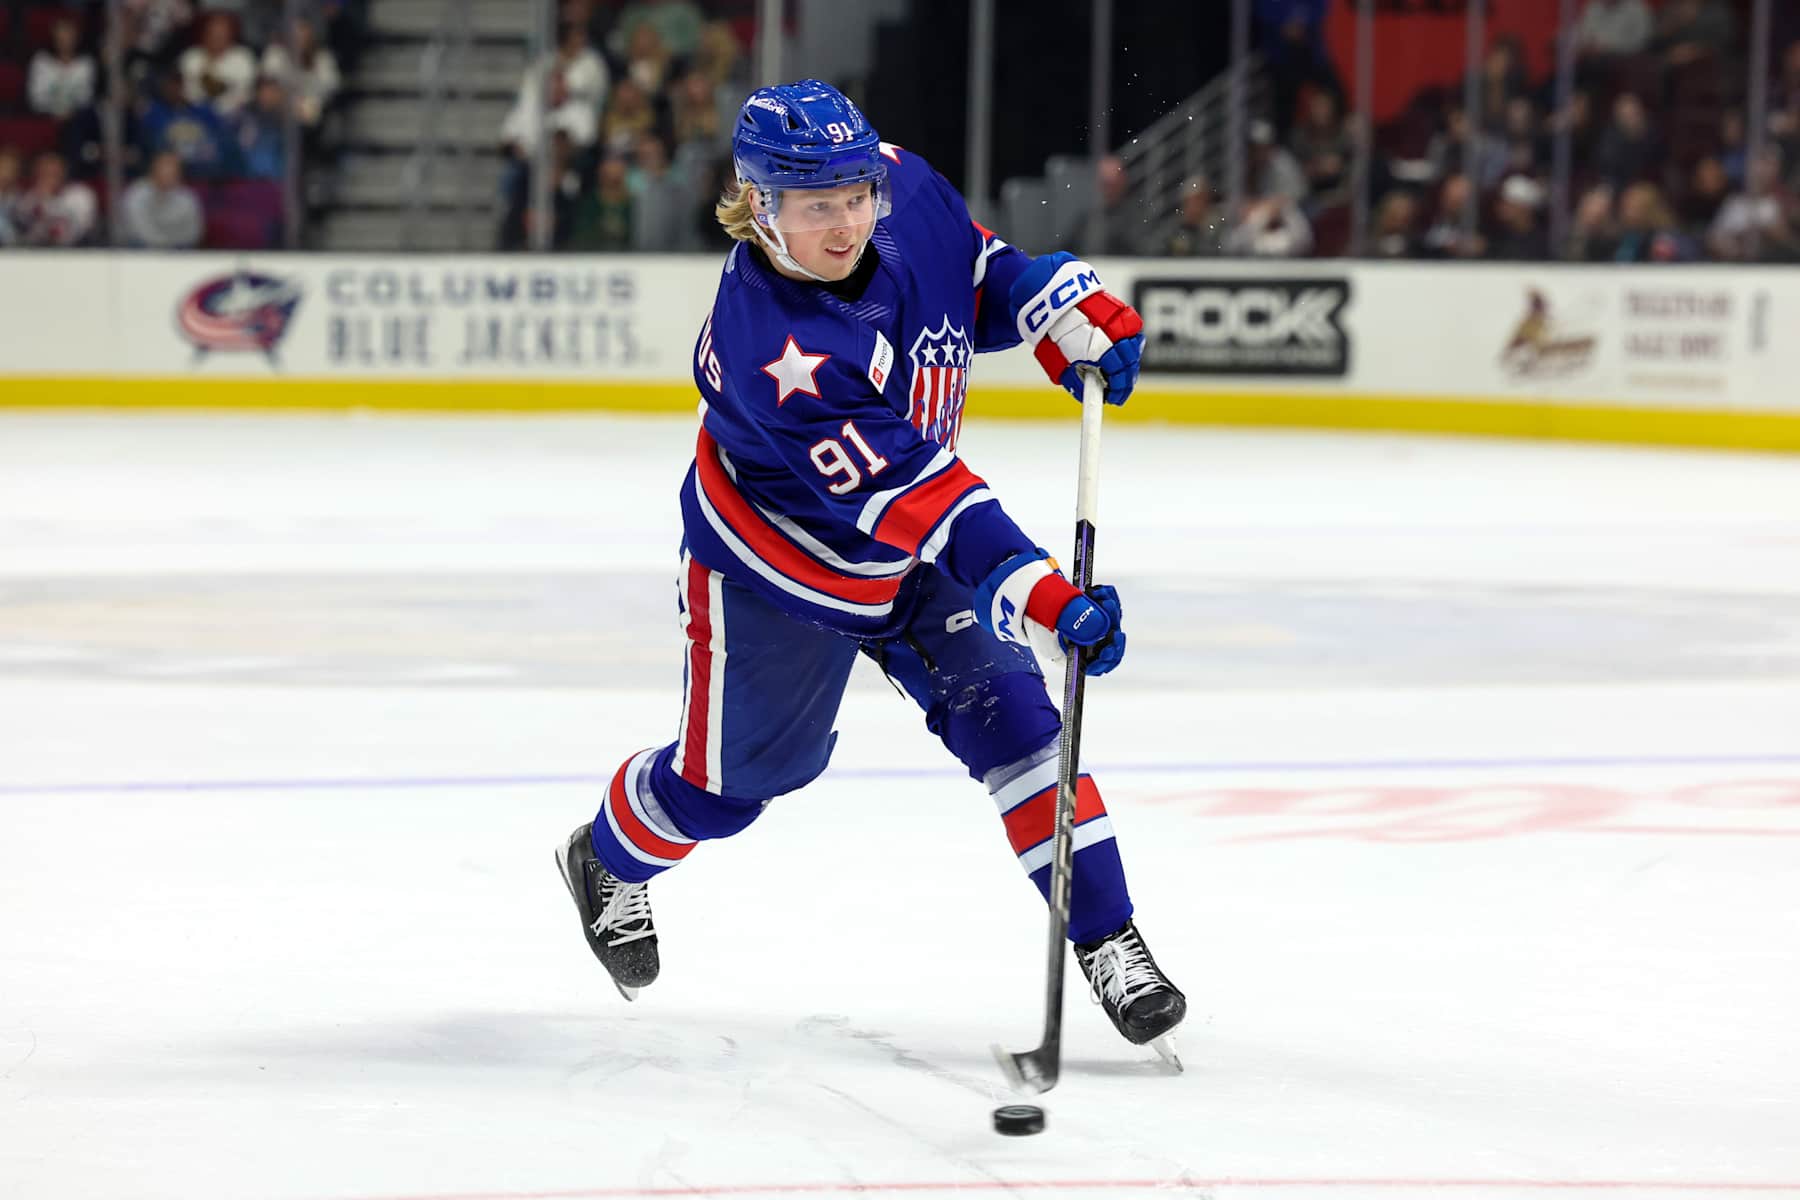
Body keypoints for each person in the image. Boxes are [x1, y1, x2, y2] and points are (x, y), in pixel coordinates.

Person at [552, 79, 1186, 1052]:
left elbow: (974, 277)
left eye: (855, 197)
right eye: (817, 208)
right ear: (760, 205)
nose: (847, 222)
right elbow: (922, 495)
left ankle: (1110, 938)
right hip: (780, 571)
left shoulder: (905, 189)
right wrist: (1040, 595)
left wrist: (1058, 309)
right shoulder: (769, 341)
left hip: (919, 554)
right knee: (727, 792)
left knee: (1019, 726)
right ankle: (608, 857)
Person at [121, 148, 202, 248]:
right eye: (164, 165)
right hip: (142, 252)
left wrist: (170, 247)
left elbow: (192, 234)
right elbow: (137, 232)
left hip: (178, 252)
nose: (168, 170)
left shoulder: (188, 199)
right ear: (153, 168)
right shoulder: (135, 195)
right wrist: (163, 246)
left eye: (172, 166)